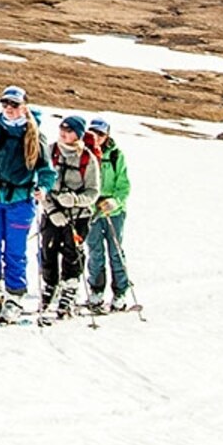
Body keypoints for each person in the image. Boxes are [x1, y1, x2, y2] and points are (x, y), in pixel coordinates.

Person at [0, 86, 51, 323]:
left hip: (21, 201)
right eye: (5, 104)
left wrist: (43, 188)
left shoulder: (35, 136)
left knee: (15, 251)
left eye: (14, 105)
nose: (9, 109)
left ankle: (15, 296)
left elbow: (46, 170)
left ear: (24, 107)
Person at [37, 115, 102, 319]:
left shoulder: (87, 158)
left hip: (78, 216)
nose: (64, 133)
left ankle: (69, 290)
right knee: (48, 250)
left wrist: (74, 200)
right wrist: (52, 209)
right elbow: (39, 185)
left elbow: (93, 192)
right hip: (52, 213)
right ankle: (50, 286)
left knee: (72, 253)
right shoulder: (50, 151)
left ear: (79, 134)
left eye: (69, 130)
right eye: (62, 129)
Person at [85, 118, 137, 314]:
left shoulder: (116, 155)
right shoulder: (85, 152)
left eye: (100, 134)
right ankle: (96, 289)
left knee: (115, 250)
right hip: (92, 209)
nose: (96, 138)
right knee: (95, 251)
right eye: (93, 133)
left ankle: (120, 291)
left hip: (113, 211)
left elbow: (124, 185)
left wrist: (115, 201)